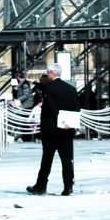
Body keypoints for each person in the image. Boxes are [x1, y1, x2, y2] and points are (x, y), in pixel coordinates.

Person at [28, 66, 82, 197]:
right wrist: (68, 122)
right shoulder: (71, 89)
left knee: (47, 159)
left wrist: (57, 117)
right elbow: (76, 108)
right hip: (66, 129)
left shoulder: (48, 88)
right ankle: (68, 186)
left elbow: (50, 107)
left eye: (48, 73)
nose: (47, 75)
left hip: (50, 129)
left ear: (52, 73)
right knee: (67, 159)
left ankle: (41, 185)